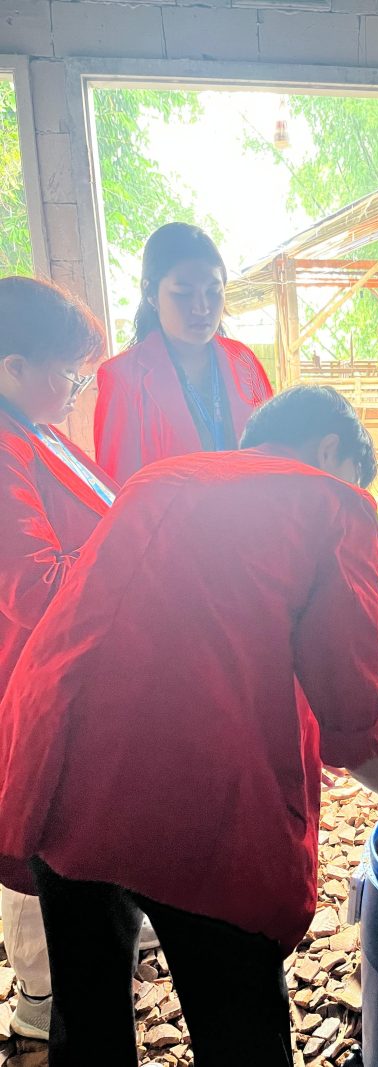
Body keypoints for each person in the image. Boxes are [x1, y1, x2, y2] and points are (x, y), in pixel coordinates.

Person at [0, 385, 378, 1066]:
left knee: (88, 1012)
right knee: (238, 1024)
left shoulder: (157, 479)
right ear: (331, 451)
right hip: (196, 801)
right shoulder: (332, 501)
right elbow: (347, 691)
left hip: (57, 765)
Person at [0, 276, 118, 1041]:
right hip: (29, 675)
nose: (76, 386)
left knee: (71, 826)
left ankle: (92, 962)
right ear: (12, 364)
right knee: (33, 831)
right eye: (66, 370)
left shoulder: (32, 426)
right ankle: (43, 1004)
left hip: (72, 671)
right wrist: (135, 560)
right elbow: (34, 583)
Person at [94, 222, 273, 483]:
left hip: (250, 520)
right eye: (183, 293)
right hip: (171, 524)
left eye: (213, 292)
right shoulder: (123, 378)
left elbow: (275, 453)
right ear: (151, 294)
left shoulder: (243, 362)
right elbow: (118, 488)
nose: (201, 307)